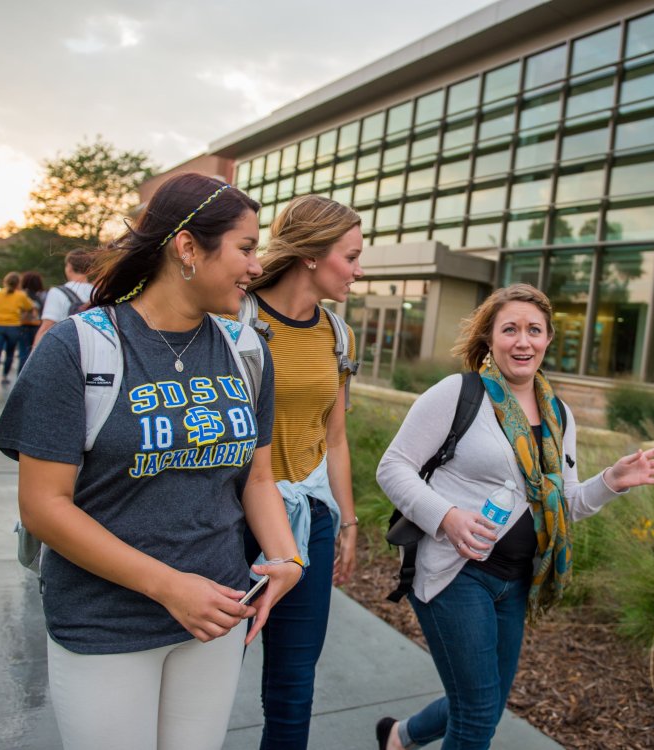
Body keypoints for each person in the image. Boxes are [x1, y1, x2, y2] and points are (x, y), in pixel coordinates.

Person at [0, 172, 303, 750]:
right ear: (187, 247)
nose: (258, 267)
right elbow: (42, 506)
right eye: (246, 248)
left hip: (216, 615)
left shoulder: (247, 349)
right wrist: (168, 587)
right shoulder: (77, 347)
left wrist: (286, 556)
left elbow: (256, 477)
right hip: (104, 621)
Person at [374, 283, 654, 750]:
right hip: (456, 574)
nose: (523, 341)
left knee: (485, 704)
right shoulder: (459, 392)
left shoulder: (558, 414)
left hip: (515, 580)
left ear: (549, 338)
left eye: (534, 330)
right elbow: (393, 467)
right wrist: (447, 517)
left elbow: (566, 504)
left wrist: (612, 481)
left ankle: (400, 736)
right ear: (490, 338)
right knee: (476, 718)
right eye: (510, 329)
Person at [242, 194, 363, 749]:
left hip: (308, 520)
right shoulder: (235, 316)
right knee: (208, 670)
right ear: (312, 255)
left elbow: (334, 437)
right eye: (352, 256)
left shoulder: (337, 334)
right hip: (231, 519)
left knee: (293, 686)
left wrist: (347, 523)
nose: (358, 271)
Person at [33, 248, 93, 347]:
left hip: (66, 348)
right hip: (90, 348)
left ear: (69, 267)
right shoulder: (99, 293)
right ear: (90, 269)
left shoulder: (57, 292)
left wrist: (34, 353)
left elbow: (47, 327)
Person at [0, 271, 34, 388]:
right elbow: (30, 307)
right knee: (10, 353)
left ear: (5, 282)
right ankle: (5, 376)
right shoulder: (21, 295)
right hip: (14, 326)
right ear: (18, 283)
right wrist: (23, 315)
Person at [17, 271, 45, 371]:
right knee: (31, 354)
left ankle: (20, 378)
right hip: (36, 326)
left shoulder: (21, 295)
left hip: (23, 325)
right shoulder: (39, 298)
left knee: (23, 354)